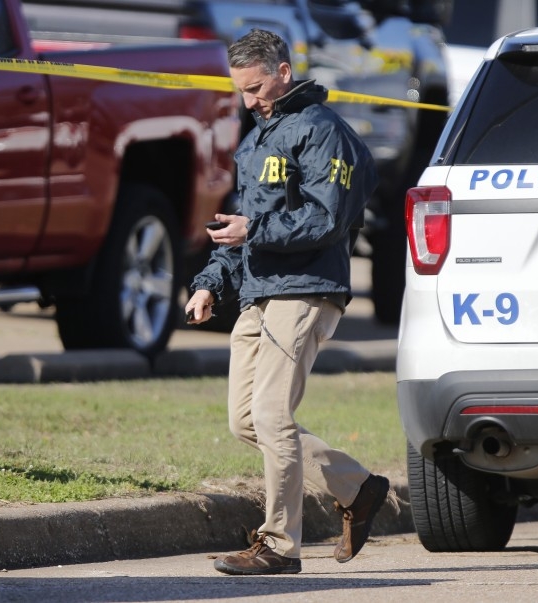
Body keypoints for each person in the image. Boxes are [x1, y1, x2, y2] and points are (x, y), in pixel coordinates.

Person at [185, 28, 389, 576]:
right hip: (257, 293)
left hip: (305, 290)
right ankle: (357, 486)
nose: (250, 101)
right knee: (245, 421)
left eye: (257, 88)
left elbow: (328, 218)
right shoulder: (256, 141)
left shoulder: (324, 133)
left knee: (273, 414)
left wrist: (253, 229)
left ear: (283, 71)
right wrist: (209, 282)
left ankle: (279, 546)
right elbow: (242, 229)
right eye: (241, 92)